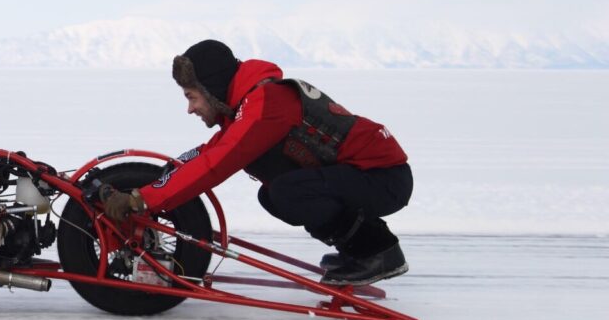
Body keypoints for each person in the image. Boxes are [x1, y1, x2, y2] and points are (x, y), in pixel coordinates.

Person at [100, 39, 413, 286]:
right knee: (275, 193)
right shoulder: (248, 106)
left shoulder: (265, 106)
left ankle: (379, 252)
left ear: (211, 89)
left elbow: (218, 163)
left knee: (287, 193)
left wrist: (142, 199)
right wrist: (153, 182)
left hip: (384, 178)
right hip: (363, 176)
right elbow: (210, 151)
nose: (191, 108)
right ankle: (360, 252)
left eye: (191, 96)